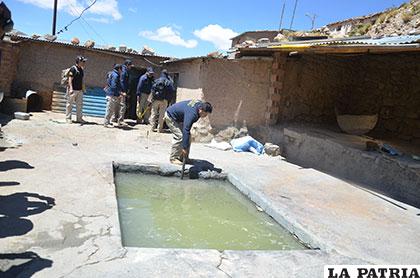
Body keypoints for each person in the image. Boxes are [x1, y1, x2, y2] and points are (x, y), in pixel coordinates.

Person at [164, 100, 213, 165]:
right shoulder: (192, 114)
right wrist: (184, 148)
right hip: (170, 116)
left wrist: (185, 146)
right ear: (201, 110)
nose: (205, 116)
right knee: (180, 136)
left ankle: (184, 158)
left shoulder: (200, 105)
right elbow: (186, 130)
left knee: (188, 137)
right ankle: (173, 158)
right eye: (205, 114)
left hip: (179, 118)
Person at [66, 56, 87, 124]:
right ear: (79, 61)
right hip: (73, 90)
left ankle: (79, 118)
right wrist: (71, 89)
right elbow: (70, 79)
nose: (84, 63)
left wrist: (83, 88)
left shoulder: (81, 69)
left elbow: (82, 80)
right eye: (82, 61)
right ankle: (68, 118)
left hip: (79, 90)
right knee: (70, 105)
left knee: (79, 105)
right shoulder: (73, 69)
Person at [118, 59, 133, 126]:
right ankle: (120, 120)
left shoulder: (125, 71)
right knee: (122, 106)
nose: (130, 67)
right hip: (122, 91)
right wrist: (123, 92)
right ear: (127, 65)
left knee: (120, 105)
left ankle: (116, 119)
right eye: (130, 65)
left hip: (122, 91)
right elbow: (122, 82)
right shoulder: (124, 72)